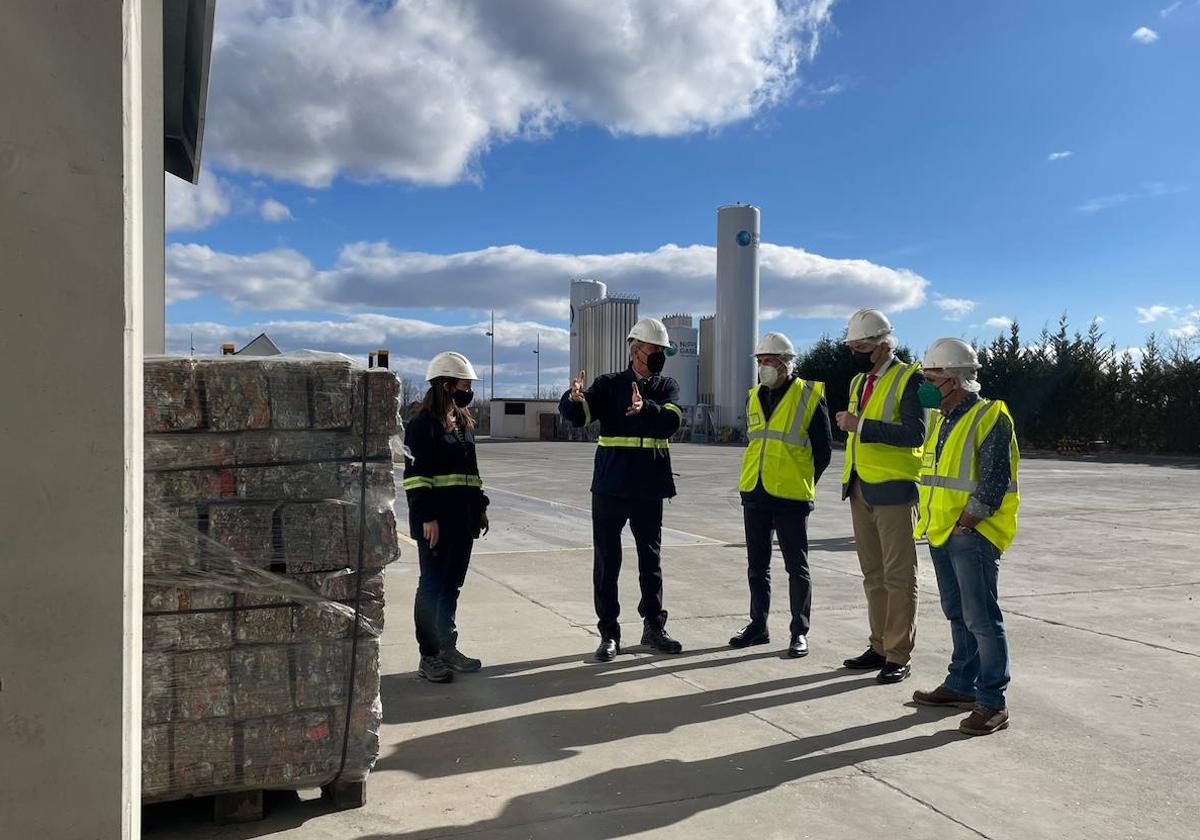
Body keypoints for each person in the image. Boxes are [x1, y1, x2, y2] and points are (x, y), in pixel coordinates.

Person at [559, 317, 686, 661]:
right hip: (611, 487)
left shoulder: (666, 387)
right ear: (635, 350)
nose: (660, 355)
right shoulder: (609, 384)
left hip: (649, 487)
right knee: (607, 560)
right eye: (655, 350)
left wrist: (647, 408)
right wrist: (573, 400)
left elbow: (672, 421)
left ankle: (654, 627)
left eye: (663, 351)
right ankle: (608, 634)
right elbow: (581, 416)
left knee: (651, 559)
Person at [911, 338, 1019, 736]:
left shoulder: (991, 417)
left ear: (953, 380)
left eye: (930, 377)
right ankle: (961, 685)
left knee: (982, 619)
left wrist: (967, 523)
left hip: (971, 533)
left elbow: (993, 479)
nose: (924, 385)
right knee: (957, 612)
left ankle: (992, 703)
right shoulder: (943, 419)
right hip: (942, 531)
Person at [835, 309, 925, 684]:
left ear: (881, 345)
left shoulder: (910, 378)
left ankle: (898, 653)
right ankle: (878, 645)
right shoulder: (860, 382)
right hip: (860, 487)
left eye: (861, 345)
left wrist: (861, 426)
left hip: (894, 490)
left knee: (899, 575)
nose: (855, 351)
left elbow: (914, 434)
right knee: (873, 574)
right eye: (853, 346)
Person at [730, 333, 833, 658]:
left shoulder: (809, 396)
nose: (763, 367)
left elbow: (823, 450)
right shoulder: (754, 396)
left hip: (790, 496)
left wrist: (803, 480)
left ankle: (799, 631)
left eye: (769, 361)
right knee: (756, 566)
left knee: (796, 567)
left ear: (786, 363)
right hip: (755, 492)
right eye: (760, 362)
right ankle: (758, 626)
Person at [403, 351, 490, 684]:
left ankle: (447, 647)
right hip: (436, 523)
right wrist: (426, 517)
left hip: (463, 520)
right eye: (464, 384)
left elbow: (471, 473)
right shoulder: (421, 426)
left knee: (451, 586)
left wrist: (479, 506)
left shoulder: (464, 425)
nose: (469, 390)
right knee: (431, 586)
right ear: (444, 385)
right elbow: (415, 476)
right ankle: (429, 655)